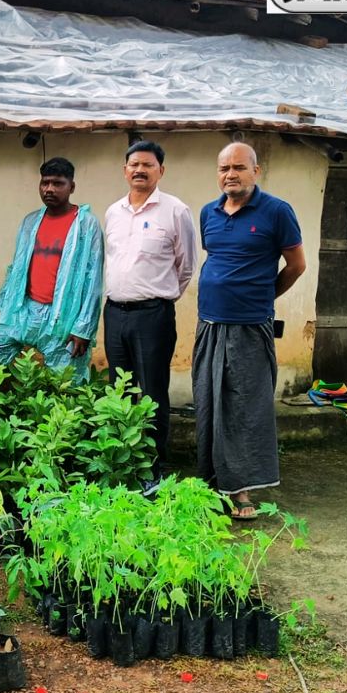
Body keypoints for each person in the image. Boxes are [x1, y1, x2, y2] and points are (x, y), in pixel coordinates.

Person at [193, 142, 306, 519]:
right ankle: (211, 481)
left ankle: (240, 492)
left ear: (256, 171)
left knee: (243, 407)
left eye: (239, 167)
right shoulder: (209, 213)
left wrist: (263, 295)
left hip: (250, 327)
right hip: (209, 323)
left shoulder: (276, 211)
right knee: (209, 402)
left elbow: (296, 265)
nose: (230, 174)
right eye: (224, 167)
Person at [103, 141, 197, 493]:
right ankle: (124, 462)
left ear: (161, 170)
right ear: (125, 170)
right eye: (133, 164)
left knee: (152, 391)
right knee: (120, 389)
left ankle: (152, 468)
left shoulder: (175, 211)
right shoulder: (113, 212)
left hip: (152, 315)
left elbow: (186, 266)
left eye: (147, 164)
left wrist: (160, 298)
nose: (139, 170)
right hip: (114, 313)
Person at [0, 157, 104, 380]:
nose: (49, 189)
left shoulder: (86, 224)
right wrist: (0, 304)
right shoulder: (30, 221)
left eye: (57, 183)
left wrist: (83, 328)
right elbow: (16, 268)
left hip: (63, 317)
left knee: (68, 382)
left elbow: (93, 281)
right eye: (45, 183)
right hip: (23, 311)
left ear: (71, 187)